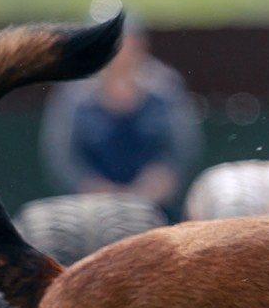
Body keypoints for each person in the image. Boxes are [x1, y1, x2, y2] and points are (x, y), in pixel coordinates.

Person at [39, 11, 200, 217]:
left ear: (140, 44)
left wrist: (162, 179)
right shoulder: (73, 94)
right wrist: (91, 187)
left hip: (157, 213)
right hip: (92, 217)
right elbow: (61, 155)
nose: (118, 51)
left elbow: (183, 147)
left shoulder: (166, 88)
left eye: (123, 42)